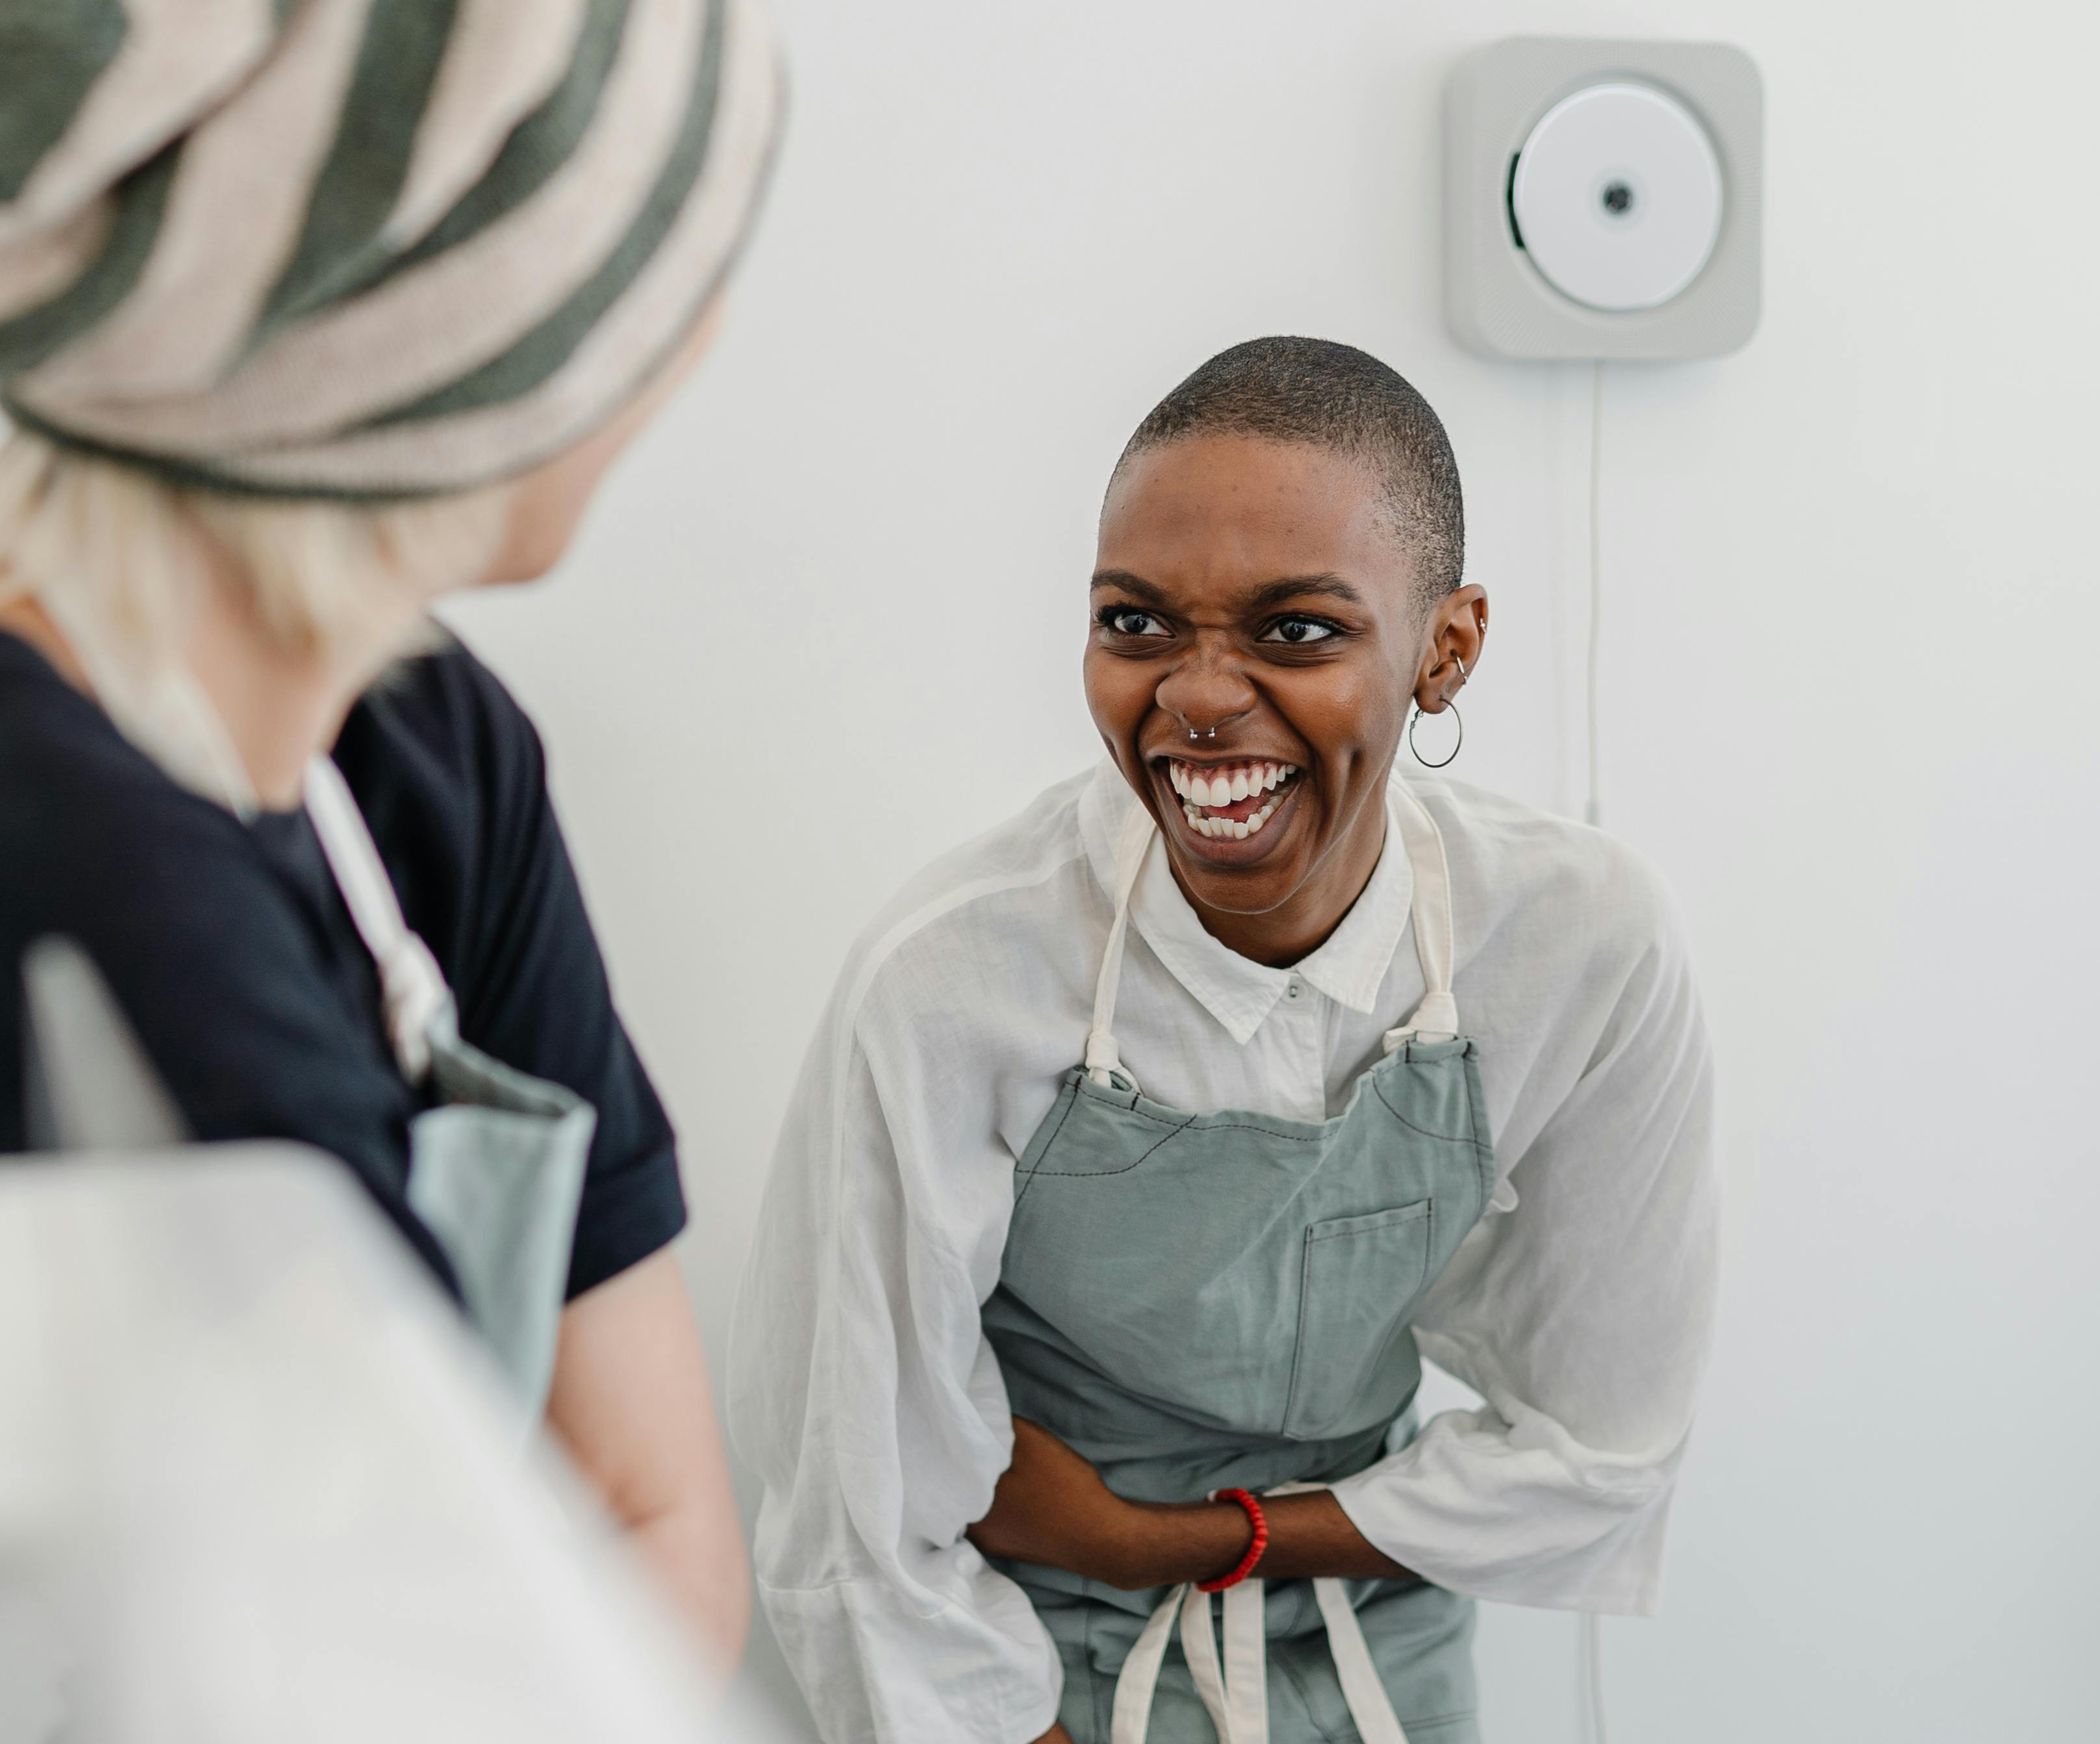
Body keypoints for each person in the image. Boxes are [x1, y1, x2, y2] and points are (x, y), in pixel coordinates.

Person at [0, 0, 783, 1666]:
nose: (701, 336)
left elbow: (651, 1521)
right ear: (440, 342)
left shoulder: (420, 747)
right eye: (652, 277)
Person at [731, 338, 1717, 1742]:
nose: (1196, 698)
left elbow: (1605, 1451)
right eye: (1137, 625)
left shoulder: (1578, 943)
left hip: (1380, 1633)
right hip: (1027, 1649)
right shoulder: (953, 978)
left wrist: (1181, 1539)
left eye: (1295, 630)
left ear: (1447, 648)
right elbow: (857, 1521)